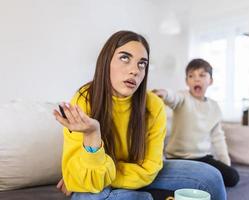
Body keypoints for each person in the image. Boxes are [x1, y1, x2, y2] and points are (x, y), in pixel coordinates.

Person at [53, 31, 226, 200]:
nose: (135, 70)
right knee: (91, 196)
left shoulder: (154, 105)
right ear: (106, 61)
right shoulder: (84, 99)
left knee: (211, 177)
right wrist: (92, 134)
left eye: (142, 63)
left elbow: (149, 169)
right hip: (108, 171)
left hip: (121, 173)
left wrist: (85, 179)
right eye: (125, 58)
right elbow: (83, 174)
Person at [153, 58, 239, 187]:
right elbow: (173, 97)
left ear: (210, 81)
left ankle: (198, 176)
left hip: (203, 158)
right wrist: (164, 93)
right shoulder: (183, 98)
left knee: (233, 177)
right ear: (187, 81)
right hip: (177, 158)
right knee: (200, 180)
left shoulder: (214, 107)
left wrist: (225, 164)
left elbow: (218, 138)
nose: (196, 79)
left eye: (202, 75)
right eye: (191, 76)